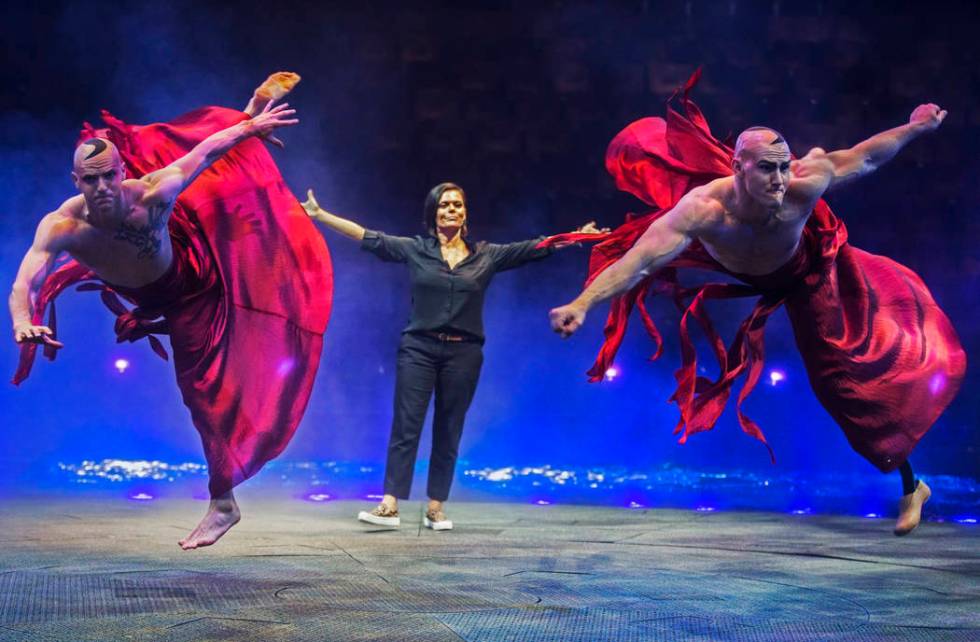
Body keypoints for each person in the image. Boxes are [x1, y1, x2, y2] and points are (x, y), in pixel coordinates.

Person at [548, 73, 965, 536]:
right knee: (651, 254)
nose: (780, 179)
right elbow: (640, 263)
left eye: (785, 166)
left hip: (809, 272)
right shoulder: (703, 208)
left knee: (841, 382)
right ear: (738, 166)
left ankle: (913, 486)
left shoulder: (805, 183)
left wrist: (915, 127)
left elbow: (866, 157)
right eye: (768, 168)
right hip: (734, 268)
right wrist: (583, 303)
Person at [10, 72, 333, 549]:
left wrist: (248, 124)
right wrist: (21, 321)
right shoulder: (62, 226)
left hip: (191, 286)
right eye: (90, 179)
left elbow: (206, 152)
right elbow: (25, 280)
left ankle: (223, 503)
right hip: (140, 294)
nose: (101, 187)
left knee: (200, 391)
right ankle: (224, 499)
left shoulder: (153, 193)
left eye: (109, 176)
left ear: (122, 174)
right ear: (76, 181)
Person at [303, 183, 605, 530]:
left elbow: (533, 248)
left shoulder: (486, 255)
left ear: (465, 213)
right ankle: (389, 504)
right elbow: (369, 237)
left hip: (463, 352)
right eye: (445, 205)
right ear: (434, 213)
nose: (452, 210)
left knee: (449, 428)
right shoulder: (417, 250)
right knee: (407, 426)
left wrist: (577, 237)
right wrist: (321, 215)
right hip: (419, 348)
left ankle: (435, 507)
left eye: (458, 205)